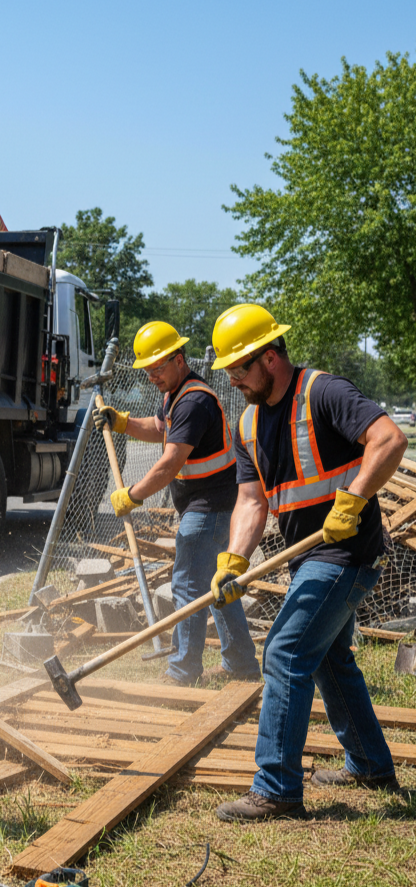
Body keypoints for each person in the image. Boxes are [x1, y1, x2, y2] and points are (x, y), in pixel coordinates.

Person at [208, 303, 404, 822]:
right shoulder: (248, 423)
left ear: (270, 357)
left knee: (285, 652)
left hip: (345, 552)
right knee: (329, 659)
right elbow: (252, 501)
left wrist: (354, 499)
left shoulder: (324, 392)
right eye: (228, 371)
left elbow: (390, 439)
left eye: (239, 369)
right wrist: (233, 559)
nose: (234, 380)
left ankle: (275, 789)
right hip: (307, 558)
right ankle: (370, 764)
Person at [94, 321, 259, 687]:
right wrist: (122, 422)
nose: (151, 376)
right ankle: (242, 664)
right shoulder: (176, 394)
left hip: (209, 508)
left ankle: (182, 671)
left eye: (157, 368)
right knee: (220, 586)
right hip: (212, 505)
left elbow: (169, 463)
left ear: (179, 360)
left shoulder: (195, 400)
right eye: (147, 370)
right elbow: (158, 428)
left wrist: (132, 495)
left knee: (187, 585)